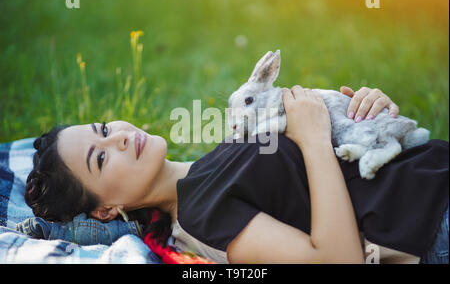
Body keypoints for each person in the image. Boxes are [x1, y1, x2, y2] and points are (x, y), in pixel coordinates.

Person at [24, 86, 449, 264]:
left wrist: (362, 113)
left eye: (103, 128)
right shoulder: (197, 219)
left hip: (431, 166)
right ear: (106, 211)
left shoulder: (212, 161)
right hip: (432, 221)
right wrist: (314, 138)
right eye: (100, 159)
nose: (117, 137)